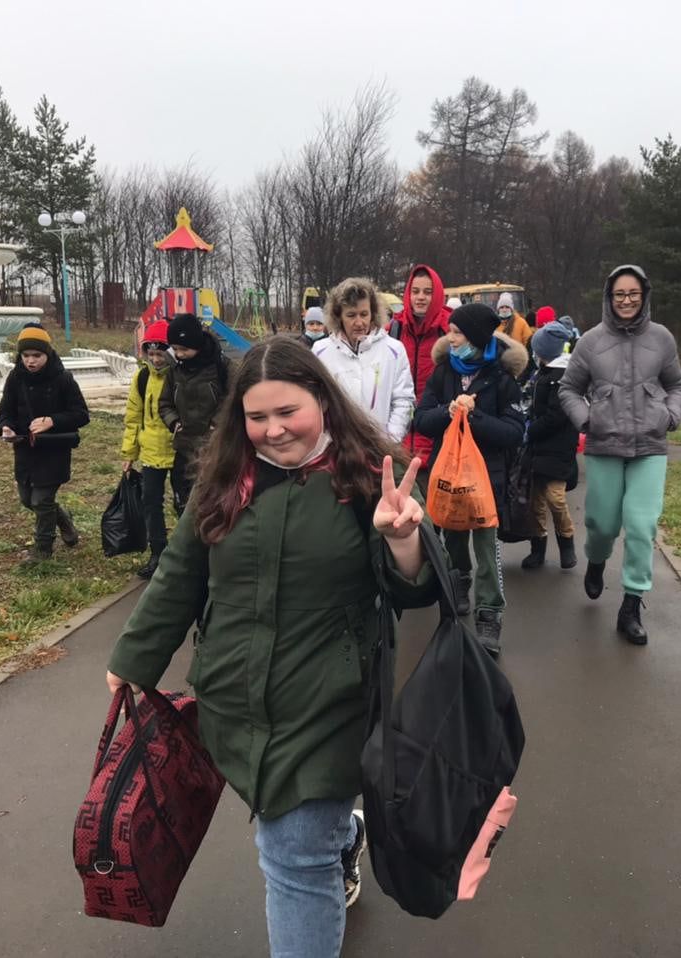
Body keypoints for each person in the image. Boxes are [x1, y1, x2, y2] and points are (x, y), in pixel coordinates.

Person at [105, 338, 438, 958]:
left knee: (293, 862)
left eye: (288, 413)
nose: (273, 430)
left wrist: (402, 543)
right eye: (257, 417)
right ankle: (342, 836)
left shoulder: (371, 476)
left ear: (323, 400)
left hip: (329, 701)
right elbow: (181, 571)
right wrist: (132, 660)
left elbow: (416, 593)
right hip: (233, 694)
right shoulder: (227, 476)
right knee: (298, 831)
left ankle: (325, 848)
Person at [558, 265, 681, 645]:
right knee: (601, 524)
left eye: (633, 293)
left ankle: (631, 603)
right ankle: (596, 563)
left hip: (650, 445)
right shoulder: (591, 342)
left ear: (644, 295)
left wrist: (671, 414)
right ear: (609, 298)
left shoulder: (661, 338)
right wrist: (587, 419)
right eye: (620, 294)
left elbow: (676, 383)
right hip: (605, 444)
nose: (627, 300)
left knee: (642, 525)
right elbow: (568, 388)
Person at [412, 302, 526, 653]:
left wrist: (475, 417)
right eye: (450, 330)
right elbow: (421, 419)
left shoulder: (502, 378)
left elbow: (514, 431)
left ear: (475, 336)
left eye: (457, 332)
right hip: (449, 473)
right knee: (454, 536)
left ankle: (489, 614)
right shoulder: (444, 372)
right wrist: (448, 412)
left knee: (488, 549)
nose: (451, 337)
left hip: (486, 478)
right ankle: (459, 580)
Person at [0, 323, 90, 566]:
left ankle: (43, 549)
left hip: (54, 451)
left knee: (42, 501)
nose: (31, 361)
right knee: (28, 500)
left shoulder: (63, 379)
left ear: (47, 354)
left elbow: (81, 414)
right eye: (26, 356)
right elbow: (4, 411)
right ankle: (64, 520)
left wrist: (53, 421)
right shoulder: (15, 378)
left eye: (36, 355)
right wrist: (5, 427)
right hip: (25, 451)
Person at [312, 276, 416, 442]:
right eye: (351, 315)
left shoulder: (394, 350)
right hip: (336, 452)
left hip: (382, 450)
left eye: (364, 314)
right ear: (338, 316)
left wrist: (390, 440)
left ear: (373, 314)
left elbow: (403, 400)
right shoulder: (320, 352)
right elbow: (314, 402)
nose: (359, 322)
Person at [119, 321, 178, 579]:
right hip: (151, 452)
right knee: (151, 502)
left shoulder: (179, 376)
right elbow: (134, 416)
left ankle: (187, 551)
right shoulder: (142, 378)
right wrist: (129, 453)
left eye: (160, 354)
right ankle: (158, 551)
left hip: (179, 451)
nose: (155, 359)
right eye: (150, 354)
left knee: (182, 504)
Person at [158, 312, 231, 520]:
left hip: (214, 446)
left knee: (212, 498)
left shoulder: (221, 367)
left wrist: (216, 424)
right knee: (183, 497)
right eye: (176, 349)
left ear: (197, 345)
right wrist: (173, 422)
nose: (179, 354)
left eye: (184, 349)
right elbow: (164, 403)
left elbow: (233, 398)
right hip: (184, 445)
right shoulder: (174, 371)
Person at [522, 322, 579, 571]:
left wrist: (530, 430)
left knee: (556, 499)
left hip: (556, 448)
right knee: (535, 503)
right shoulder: (541, 375)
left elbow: (556, 416)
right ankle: (538, 548)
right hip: (537, 450)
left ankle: (567, 543)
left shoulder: (562, 378)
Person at [389, 264, 452, 464]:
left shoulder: (450, 330)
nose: (420, 297)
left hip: (437, 439)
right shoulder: (393, 330)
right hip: (399, 440)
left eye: (427, 292)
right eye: (415, 291)